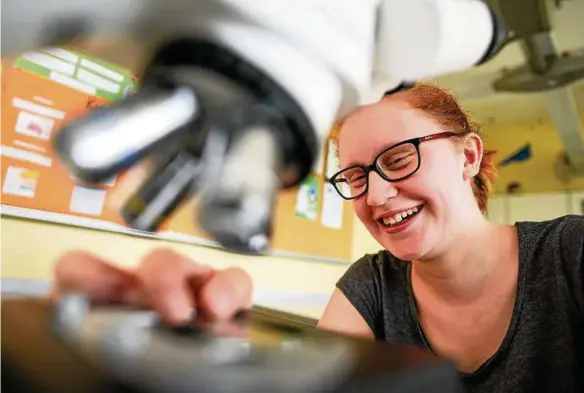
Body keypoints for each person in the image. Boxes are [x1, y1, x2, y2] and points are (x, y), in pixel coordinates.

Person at [49, 83, 583, 393]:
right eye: (354, 176)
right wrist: (187, 351)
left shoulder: (570, 253)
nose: (375, 197)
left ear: (467, 156)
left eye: (398, 159)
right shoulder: (371, 285)